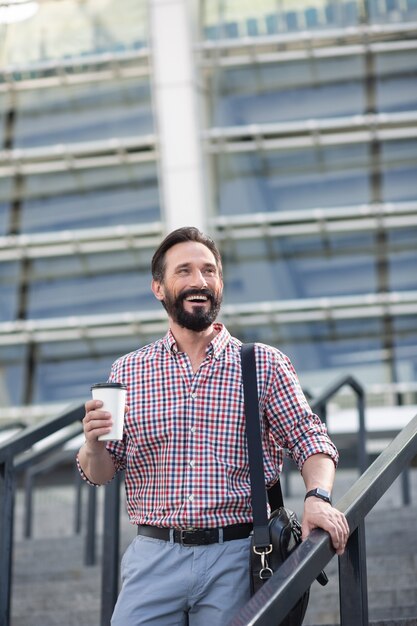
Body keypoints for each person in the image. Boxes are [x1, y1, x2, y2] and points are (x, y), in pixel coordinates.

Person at [77, 226, 349, 625]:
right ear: (159, 287)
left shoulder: (263, 364)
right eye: (184, 271)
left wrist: (318, 497)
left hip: (239, 556)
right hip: (153, 555)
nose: (199, 281)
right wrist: (93, 446)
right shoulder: (128, 371)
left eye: (209, 270)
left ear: (220, 283)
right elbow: (101, 473)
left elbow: (310, 437)